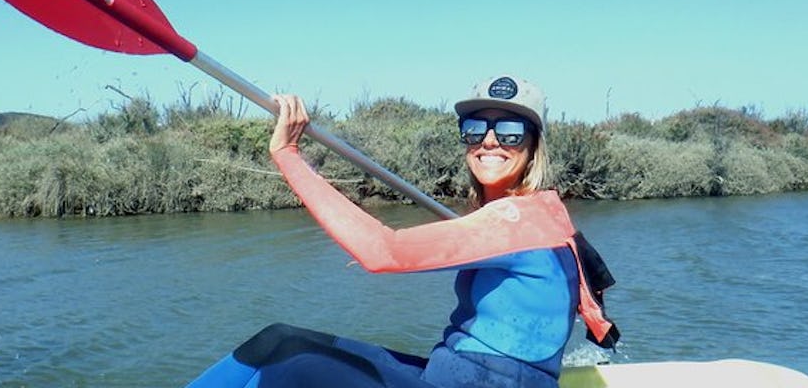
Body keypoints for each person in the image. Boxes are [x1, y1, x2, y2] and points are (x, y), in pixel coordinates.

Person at [187, 75, 618, 388]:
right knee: (279, 339)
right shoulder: (531, 213)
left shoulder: (517, 221)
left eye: (508, 131)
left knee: (287, 366)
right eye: (475, 129)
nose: (489, 141)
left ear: (533, 145)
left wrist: (288, 154)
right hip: (450, 372)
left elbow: (382, 251)